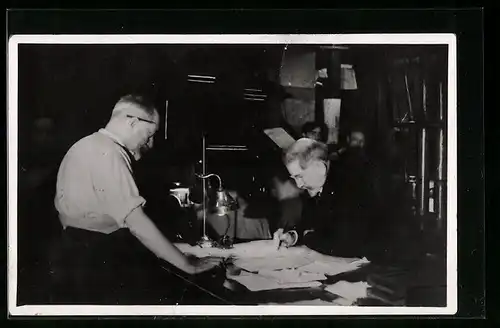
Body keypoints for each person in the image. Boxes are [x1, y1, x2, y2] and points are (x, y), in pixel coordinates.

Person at [52, 95, 222, 304]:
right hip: (97, 257)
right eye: (149, 134)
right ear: (132, 122)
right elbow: (137, 222)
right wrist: (188, 265)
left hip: (73, 250)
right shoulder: (110, 153)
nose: (150, 143)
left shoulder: (86, 145)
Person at [273, 137, 378, 258]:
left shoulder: (351, 188)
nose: (299, 185)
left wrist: (307, 237)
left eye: (300, 176)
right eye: (294, 178)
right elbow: (309, 224)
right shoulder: (315, 186)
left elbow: (344, 245)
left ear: (320, 169)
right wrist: (293, 235)